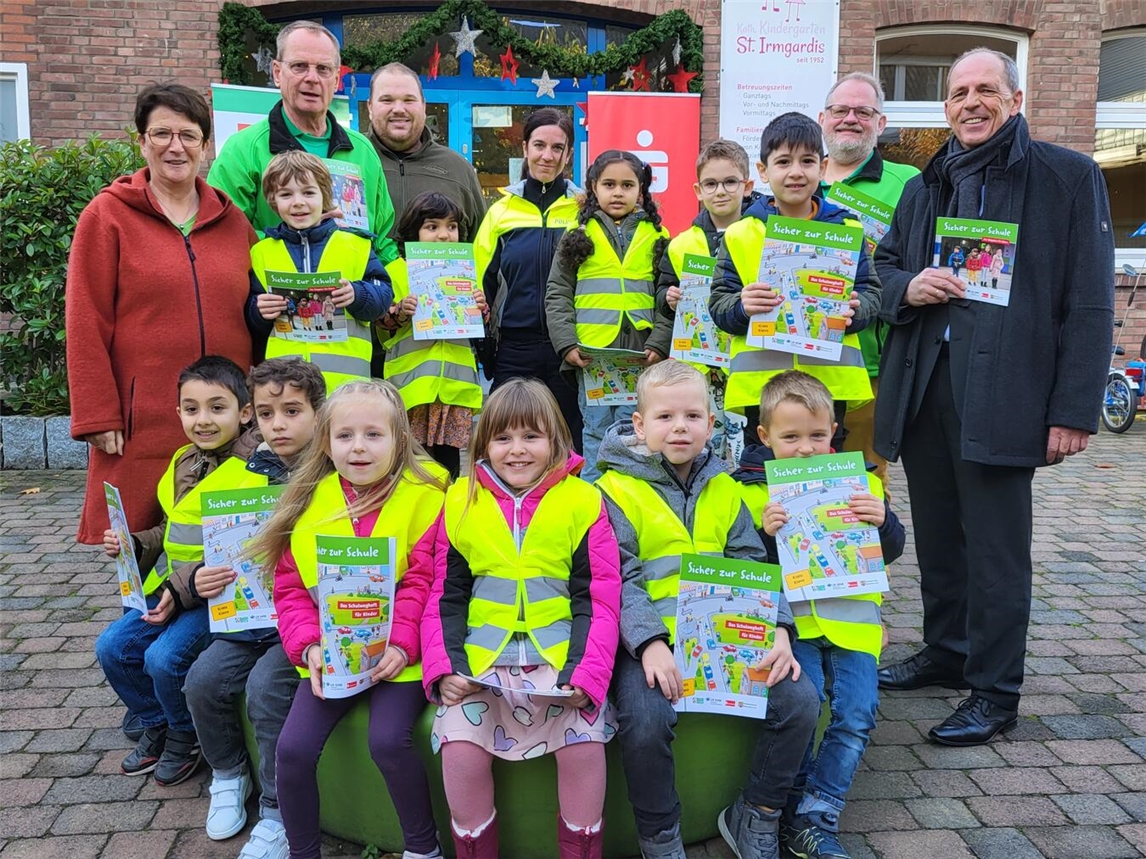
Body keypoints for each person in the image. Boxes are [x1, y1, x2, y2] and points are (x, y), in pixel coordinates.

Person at [873, 48, 1114, 746]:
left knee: (997, 551)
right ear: (945, 107)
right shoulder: (928, 184)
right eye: (957, 93)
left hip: (1006, 393)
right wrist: (907, 287)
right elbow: (884, 267)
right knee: (941, 541)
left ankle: (996, 691)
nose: (970, 103)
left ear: (1013, 98)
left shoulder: (1067, 178)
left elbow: (1092, 302)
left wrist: (1073, 407)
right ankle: (948, 652)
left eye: (985, 90)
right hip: (925, 388)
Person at [595, 361, 818, 859]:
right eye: (666, 416)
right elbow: (618, 576)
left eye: (693, 416)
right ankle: (660, 836)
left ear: (712, 425)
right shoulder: (611, 490)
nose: (680, 427)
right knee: (646, 720)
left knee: (800, 702)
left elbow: (752, 562)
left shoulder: (726, 488)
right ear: (639, 424)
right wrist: (650, 643)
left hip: (728, 632)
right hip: (649, 642)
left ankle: (757, 813)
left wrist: (779, 629)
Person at [420, 378, 621, 859]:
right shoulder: (459, 501)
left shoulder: (583, 501)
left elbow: (598, 597)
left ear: (555, 439)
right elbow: (443, 595)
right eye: (503, 437)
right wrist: (444, 667)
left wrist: (587, 675)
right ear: (483, 442)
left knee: (585, 749)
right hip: (479, 669)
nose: (517, 450)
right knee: (460, 752)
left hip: (561, 667)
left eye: (531, 436)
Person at [251, 380, 448, 859]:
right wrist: (308, 647)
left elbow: (425, 583)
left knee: (388, 741)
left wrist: (401, 645)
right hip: (331, 652)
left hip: (402, 657)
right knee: (293, 751)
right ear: (326, 442)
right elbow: (292, 589)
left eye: (374, 435)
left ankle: (423, 848)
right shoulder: (309, 501)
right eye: (344, 436)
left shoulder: (427, 496)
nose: (358, 447)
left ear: (400, 440)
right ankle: (302, 850)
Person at [66, 83, 255, 545]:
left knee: (227, 546)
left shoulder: (234, 222)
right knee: (140, 547)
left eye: (189, 135)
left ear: (205, 146)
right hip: (143, 420)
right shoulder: (107, 216)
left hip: (229, 418)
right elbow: (84, 318)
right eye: (162, 134)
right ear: (142, 142)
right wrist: (96, 413)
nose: (176, 147)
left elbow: (260, 308)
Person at [732, 371, 905, 859]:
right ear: (764, 437)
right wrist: (767, 535)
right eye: (790, 437)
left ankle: (817, 811)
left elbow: (890, 551)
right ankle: (799, 814)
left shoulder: (862, 483)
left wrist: (884, 521)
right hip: (796, 628)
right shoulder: (749, 492)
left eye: (816, 435)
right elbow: (748, 569)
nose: (805, 448)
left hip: (853, 626)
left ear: (833, 431)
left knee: (857, 714)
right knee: (801, 715)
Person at [94, 356, 264, 787]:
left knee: (164, 658)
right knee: (113, 646)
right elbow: (171, 528)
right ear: (178, 413)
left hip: (223, 593)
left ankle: (185, 737)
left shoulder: (260, 466)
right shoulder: (183, 460)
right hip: (171, 588)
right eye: (191, 409)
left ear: (245, 412)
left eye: (216, 407)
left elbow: (251, 546)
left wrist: (183, 584)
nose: (202, 420)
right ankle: (160, 720)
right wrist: (134, 544)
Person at [182, 358, 325, 858]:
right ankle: (227, 773)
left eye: (291, 411)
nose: (278, 424)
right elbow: (209, 541)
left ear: (318, 412)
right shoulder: (246, 473)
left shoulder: (330, 472)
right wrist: (194, 578)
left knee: (267, 690)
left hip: (304, 622)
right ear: (253, 417)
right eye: (266, 413)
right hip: (246, 618)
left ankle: (278, 811)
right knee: (201, 680)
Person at [709, 112, 881, 445]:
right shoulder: (740, 233)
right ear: (763, 171)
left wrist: (856, 310)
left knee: (824, 482)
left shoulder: (848, 231)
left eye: (807, 161)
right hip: (762, 390)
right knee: (762, 479)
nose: (796, 172)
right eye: (784, 161)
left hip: (830, 387)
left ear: (823, 166)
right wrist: (742, 306)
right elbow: (719, 303)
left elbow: (872, 293)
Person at [207, 20, 398, 263]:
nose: (312, 78)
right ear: (277, 73)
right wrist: (302, 242)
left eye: (323, 69)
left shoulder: (362, 151)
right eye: (299, 66)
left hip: (355, 298)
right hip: (279, 297)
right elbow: (222, 234)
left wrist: (395, 294)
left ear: (337, 78)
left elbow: (383, 242)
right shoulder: (243, 150)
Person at [545, 149, 672, 481]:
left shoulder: (659, 235)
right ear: (593, 187)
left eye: (628, 185)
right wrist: (567, 343)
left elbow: (668, 297)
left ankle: (635, 498)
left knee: (638, 432)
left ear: (641, 190)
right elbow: (557, 293)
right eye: (609, 184)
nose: (618, 192)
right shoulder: (578, 234)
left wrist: (659, 342)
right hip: (593, 356)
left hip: (640, 356)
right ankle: (596, 501)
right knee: (597, 430)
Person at [818, 73, 920, 484]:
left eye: (864, 111)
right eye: (840, 110)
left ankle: (873, 547)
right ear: (823, 118)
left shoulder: (908, 183)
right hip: (796, 354)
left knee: (866, 479)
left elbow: (915, 264)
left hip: (870, 360)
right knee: (797, 469)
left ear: (881, 123)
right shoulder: (798, 175)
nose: (850, 119)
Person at [473, 108, 584, 451]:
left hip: (568, 348)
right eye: (539, 145)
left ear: (568, 154)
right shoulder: (501, 212)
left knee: (568, 443)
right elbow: (481, 283)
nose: (547, 156)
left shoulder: (584, 211)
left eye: (557, 148)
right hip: (514, 348)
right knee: (507, 439)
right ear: (524, 148)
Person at [246, 151, 392, 391]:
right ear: (273, 200)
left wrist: (358, 294)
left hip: (347, 387)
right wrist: (258, 311)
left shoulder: (356, 245)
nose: (298, 202)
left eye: (308, 192)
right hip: (286, 387)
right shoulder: (261, 252)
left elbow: (384, 296)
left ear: (325, 195)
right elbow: (251, 316)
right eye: (286, 194)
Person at [657, 139, 763, 463]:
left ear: (747, 186)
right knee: (706, 446)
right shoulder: (680, 244)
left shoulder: (763, 236)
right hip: (702, 368)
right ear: (697, 190)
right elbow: (662, 289)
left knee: (748, 447)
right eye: (711, 184)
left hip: (748, 364)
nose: (721, 191)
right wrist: (668, 298)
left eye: (730, 182)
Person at [378, 192, 486, 479]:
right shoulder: (396, 271)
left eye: (452, 227)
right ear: (414, 232)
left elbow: (480, 328)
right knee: (412, 462)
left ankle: (446, 514)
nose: (444, 235)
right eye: (432, 227)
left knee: (451, 463)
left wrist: (480, 308)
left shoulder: (466, 273)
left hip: (455, 387)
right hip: (413, 388)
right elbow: (382, 323)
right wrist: (400, 311)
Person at [366, 63, 486, 241]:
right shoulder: (352, 158)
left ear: (423, 106)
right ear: (370, 107)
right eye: (387, 100)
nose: (399, 109)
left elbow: (483, 246)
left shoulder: (458, 169)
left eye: (409, 100)